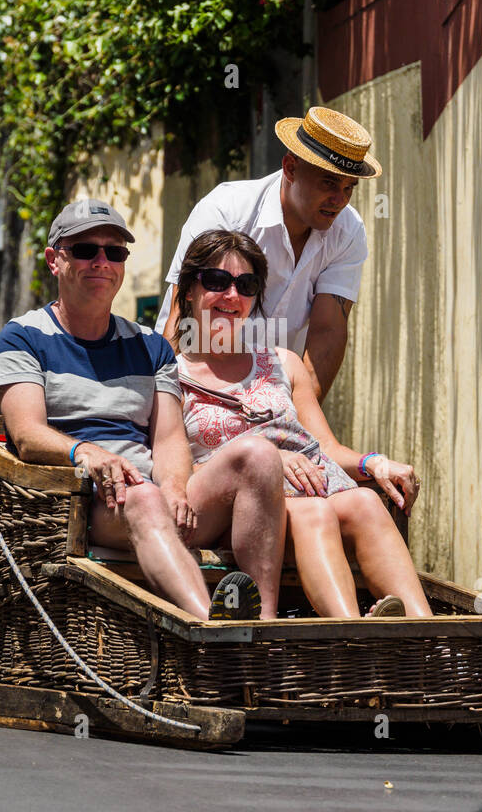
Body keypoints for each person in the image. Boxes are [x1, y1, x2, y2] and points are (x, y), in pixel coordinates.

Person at [0, 199, 286, 621]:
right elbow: (25, 433)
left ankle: (263, 627)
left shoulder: (151, 347)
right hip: (79, 500)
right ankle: (211, 626)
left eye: (114, 252)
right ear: (54, 260)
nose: (101, 262)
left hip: (150, 494)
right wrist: (85, 453)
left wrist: (176, 488)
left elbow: (167, 439)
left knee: (258, 455)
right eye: (85, 250)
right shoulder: (23, 337)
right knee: (145, 498)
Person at [172, 229, 432, 619]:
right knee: (314, 511)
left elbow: (325, 447)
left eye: (246, 285)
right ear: (189, 290)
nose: (232, 296)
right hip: (237, 504)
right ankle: (353, 634)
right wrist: (268, 461)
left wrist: (374, 463)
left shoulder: (282, 362)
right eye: (216, 281)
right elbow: (170, 468)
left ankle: (426, 638)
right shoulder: (170, 375)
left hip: (312, 487)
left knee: (364, 501)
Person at [157, 106, 381, 400]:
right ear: (290, 168)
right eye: (328, 183)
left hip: (275, 398)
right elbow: (182, 315)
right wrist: (163, 406)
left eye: (349, 188)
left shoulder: (348, 230)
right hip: (195, 387)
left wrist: (297, 419)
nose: (339, 200)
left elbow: (328, 332)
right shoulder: (226, 210)